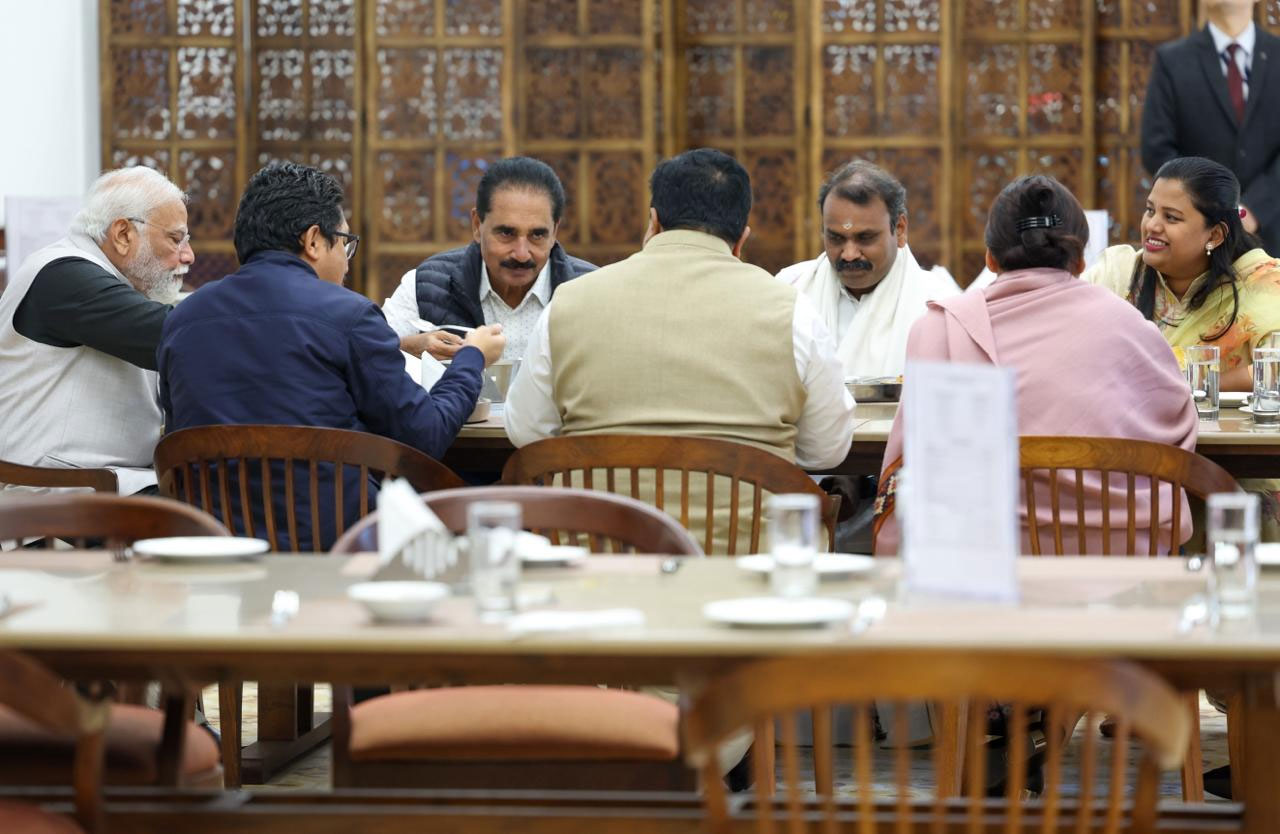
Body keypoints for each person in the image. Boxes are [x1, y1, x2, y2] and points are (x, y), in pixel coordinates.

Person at [505, 148, 855, 550]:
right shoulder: (792, 311)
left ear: (653, 222)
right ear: (741, 239)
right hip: (748, 561)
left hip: (599, 557)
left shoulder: (567, 303)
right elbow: (827, 447)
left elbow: (526, 431)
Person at [158, 162, 504, 550]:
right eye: (343, 242)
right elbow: (424, 435)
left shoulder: (182, 321)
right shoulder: (348, 315)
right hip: (337, 546)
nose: (347, 259)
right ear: (313, 240)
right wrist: (471, 358)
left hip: (215, 546)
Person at [874, 175, 1198, 555]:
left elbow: (906, 467)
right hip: (1117, 568)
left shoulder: (937, 330)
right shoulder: (1129, 327)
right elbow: (1177, 422)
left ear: (990, 258)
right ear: (1079, 260)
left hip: (979, 573)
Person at [0, 166, 194, 495]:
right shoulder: (62, 276)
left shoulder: (117, 284)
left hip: (104, 481)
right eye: (176, 239)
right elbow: (169, 335)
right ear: (122, 234)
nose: (188, 255)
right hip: (50, 491)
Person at [1084, 156, 1280, 393]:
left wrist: (1190, 385)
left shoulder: (1260, 282)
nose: (1152, 225)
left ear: (1215, 235)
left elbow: (1275, 370)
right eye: (1150, 210)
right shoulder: (1117, 273)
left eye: (1171, 217)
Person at [382, 156, 595, 363]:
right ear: (477, 225)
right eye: (506, 233)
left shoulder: (593, 292)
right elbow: (365, 356)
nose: (521, 254)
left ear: (555, 230)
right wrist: (407, 348)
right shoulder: (425, 285)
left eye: (537, 235)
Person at [776, 159, 959, 379]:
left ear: (900, 230)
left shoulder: (940, 306)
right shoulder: (790, 291)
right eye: (836, 238)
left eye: (865, 238)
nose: (849, 254)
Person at [1141, 0, 1280, 254]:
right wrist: (1210, 208)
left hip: (1273, 231)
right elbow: (1156, 148)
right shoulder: (1172, 61)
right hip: (1199, 236)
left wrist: (1252, 209)